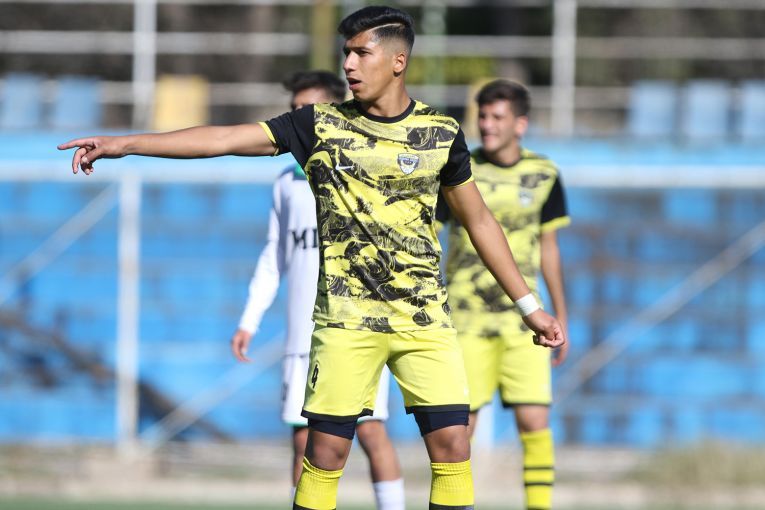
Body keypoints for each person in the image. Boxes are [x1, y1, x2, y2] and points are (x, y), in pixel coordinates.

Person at [58, 6, 566, 510]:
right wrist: (125, 143)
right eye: (346, 53)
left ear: (398, 61)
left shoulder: (441, 132)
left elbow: (480, 222)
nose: (349, 64)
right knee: (324, 454)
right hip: (346, 323)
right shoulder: (319, 124)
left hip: (425, 321)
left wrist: (530, 307)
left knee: (454, 446)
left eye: (362, 53)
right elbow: (225, 138)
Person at [230, 70, 405, 510]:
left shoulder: (362, 168)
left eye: (307, 110)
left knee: (370, 431)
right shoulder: (286, 182)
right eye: (293, 110)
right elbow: (275, 256)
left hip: (360, 328)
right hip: (303, 337)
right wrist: (250, 320)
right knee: (303, 440)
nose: (298, 118)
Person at [437, 79, 570, 510]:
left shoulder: (545, 174)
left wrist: (560, 314)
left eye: (497, 117)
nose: (487, 125)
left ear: (520, 124)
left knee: (535, 421)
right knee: (459, 430)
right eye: (482, 116)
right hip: (466, 319)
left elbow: (549, 248)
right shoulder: (458, 169)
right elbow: (431, 234)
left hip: (524, 323)